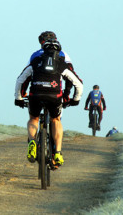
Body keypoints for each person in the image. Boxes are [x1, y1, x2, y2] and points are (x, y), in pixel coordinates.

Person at [14, 38, 83, 167]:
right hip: (55, 96)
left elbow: (20, 80)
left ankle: (32, 142)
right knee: (56, 119)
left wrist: (18, 98)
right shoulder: (62, 64)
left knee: (34, 118)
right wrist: (76, 99)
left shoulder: (35, 61)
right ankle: (57, 152)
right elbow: (78, 83)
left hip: (36, 94)